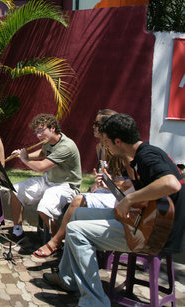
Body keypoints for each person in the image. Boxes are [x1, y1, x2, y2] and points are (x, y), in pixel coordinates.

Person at [43, 113, 185, 306]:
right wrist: (117, 188)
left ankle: (95, 301)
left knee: (76, 231)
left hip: (155, 233)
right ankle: (68, 278)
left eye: (107, 141)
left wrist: (130, 200)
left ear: (118, 140)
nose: (105, 146)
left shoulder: (147, 156)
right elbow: (148, 193)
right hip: (145, 221)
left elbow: (172, 184)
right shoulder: (140, 155)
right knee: (77, 214)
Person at [32, 109, 132, 258]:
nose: (93, 127)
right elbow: (107, 178)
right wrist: (100, 182)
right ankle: (72, 250)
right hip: (107, 191)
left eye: (97, 124)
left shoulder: (122, 151)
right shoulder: (100, 148)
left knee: (77, 201)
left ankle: (56, 243)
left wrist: (111, 182)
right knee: (77, 207)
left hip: (121, 197)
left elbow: (129, 182)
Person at [9, 113, 82, 239]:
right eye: (36, 132)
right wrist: (25, 154)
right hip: (49, 180)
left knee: (44, 208)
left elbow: (42, 166)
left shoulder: (66, 146)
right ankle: (18, 229)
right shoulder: (48, 141)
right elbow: (43, 152)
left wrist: (25, 160)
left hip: (66, 186)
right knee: (15, 190)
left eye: (41, 130)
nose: (38, 135)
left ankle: (55, 241)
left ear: (52, 128)